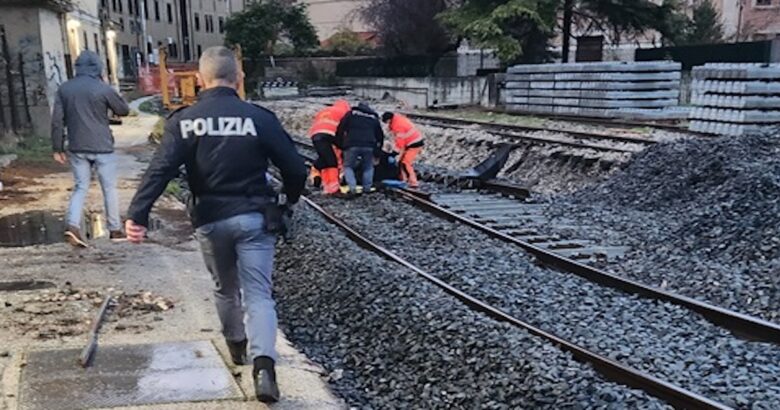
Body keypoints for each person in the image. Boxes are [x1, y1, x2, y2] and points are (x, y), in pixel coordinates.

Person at [124, 46, 306, 403]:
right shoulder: (258, 117)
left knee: (225, 289)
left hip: (211, 218)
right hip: (256, 217)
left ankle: (236, 347)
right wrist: (290, 198)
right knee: (259, 294)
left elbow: (160, 170)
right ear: (238, 78)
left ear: (200, 80)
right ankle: (264, 367)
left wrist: (138, 215)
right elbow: (296, 169)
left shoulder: (184, 121)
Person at [51, 50, 130, 247]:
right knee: (109, 188)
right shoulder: (102, 88)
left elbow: (56, 122)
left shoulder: (65, 89)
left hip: (77, 147)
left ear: (77, 68)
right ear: (98, 68)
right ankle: (114, 230)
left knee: (80, 187)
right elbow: (123, 110)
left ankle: (73, 226)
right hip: (103, 146)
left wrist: (57, 148)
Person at [335, 102, 384, 195]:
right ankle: (367, 188)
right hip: (369, 146)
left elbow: (340, 129)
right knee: (368, 167)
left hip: (351, 144)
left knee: (348, 166)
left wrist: (340, 144)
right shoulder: (373, 118)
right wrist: (378, 149)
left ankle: (352, 188)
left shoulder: (350, 114)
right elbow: (380, 136)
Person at [308, 99, 350, 195]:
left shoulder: (325, 110)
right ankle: (332, 185)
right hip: (331, 134)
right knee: (331, 161)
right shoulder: (345, 112)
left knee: (326, 156)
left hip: (316, 134)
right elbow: (345, 129)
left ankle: (317, 174)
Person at [382, 111, 424, 189]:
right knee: (401, 162)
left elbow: (400, 143)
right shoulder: (397, 119)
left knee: (405, 163)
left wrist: (394, 153)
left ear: (389, 120)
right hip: (411, 142)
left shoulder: (398, 126)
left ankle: (413, 183)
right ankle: (403, 179)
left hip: (414, 144)